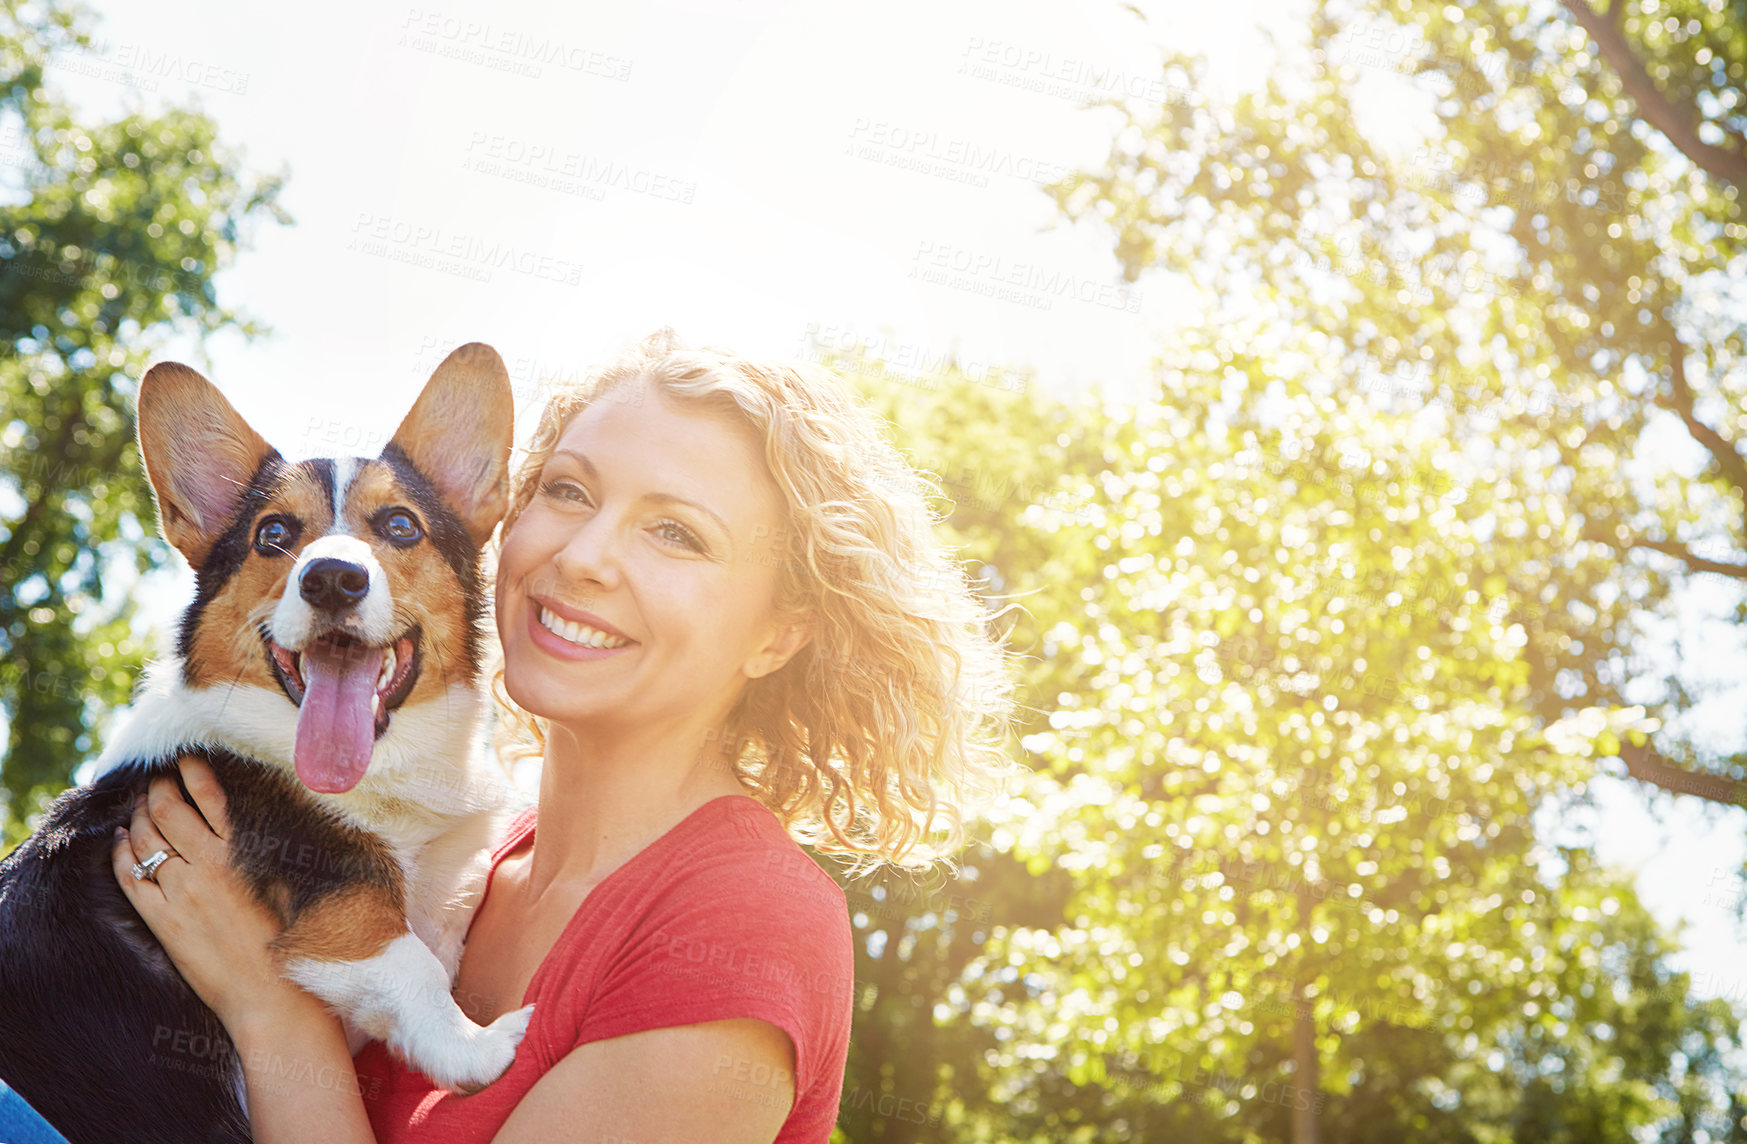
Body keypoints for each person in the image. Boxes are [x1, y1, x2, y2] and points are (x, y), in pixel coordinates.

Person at [108, 329, 1018, 1143]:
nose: (582, 556)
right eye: (569, 490)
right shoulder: (449, 856)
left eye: (675, 533)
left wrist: (272, 1014)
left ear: (780, 630)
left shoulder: (741, 923)